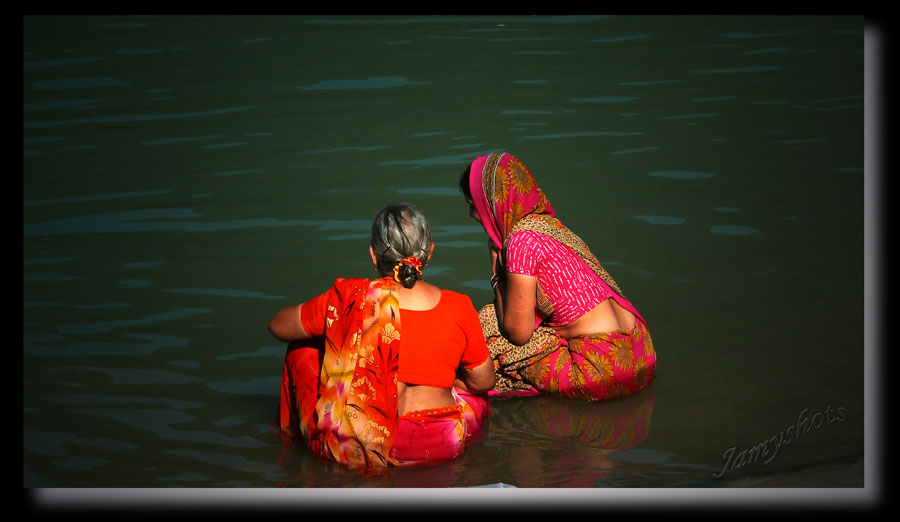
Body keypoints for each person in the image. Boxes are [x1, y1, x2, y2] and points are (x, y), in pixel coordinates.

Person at [269, 204, 495, 470]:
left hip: (368, 446)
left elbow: (278, 326)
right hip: (442, 443)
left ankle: (291, 448)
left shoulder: (349, 299)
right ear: (429, 252)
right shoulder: (459, 305)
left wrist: (337, 335)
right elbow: (484, 381)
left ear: (374, 256)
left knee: (302, 348)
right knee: (475, 397)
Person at [460, 152, 656, 400]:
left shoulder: (520, 241)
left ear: (491, 203)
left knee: (488, 324)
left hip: (604, 371)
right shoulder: (550, 227)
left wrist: (496, 272)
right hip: (641, 351)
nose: (472, 216)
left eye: (472, 205)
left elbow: (517, 333)